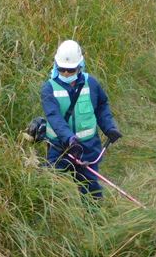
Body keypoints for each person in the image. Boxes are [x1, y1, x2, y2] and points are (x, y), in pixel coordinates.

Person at [40, 40, 122, 198]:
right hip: (60, 149)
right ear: (56, 66)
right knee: (52, 188)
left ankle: (94, 218)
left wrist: (109, 127)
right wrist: (69, 139)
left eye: (70, 70)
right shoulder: (48, 89)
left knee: (91, 190)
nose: (65, 74)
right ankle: (57, 218)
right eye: (62, 69)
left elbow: (101, 105)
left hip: (88, 148)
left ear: (79, 66)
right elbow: (54, 117)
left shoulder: (91, 84)